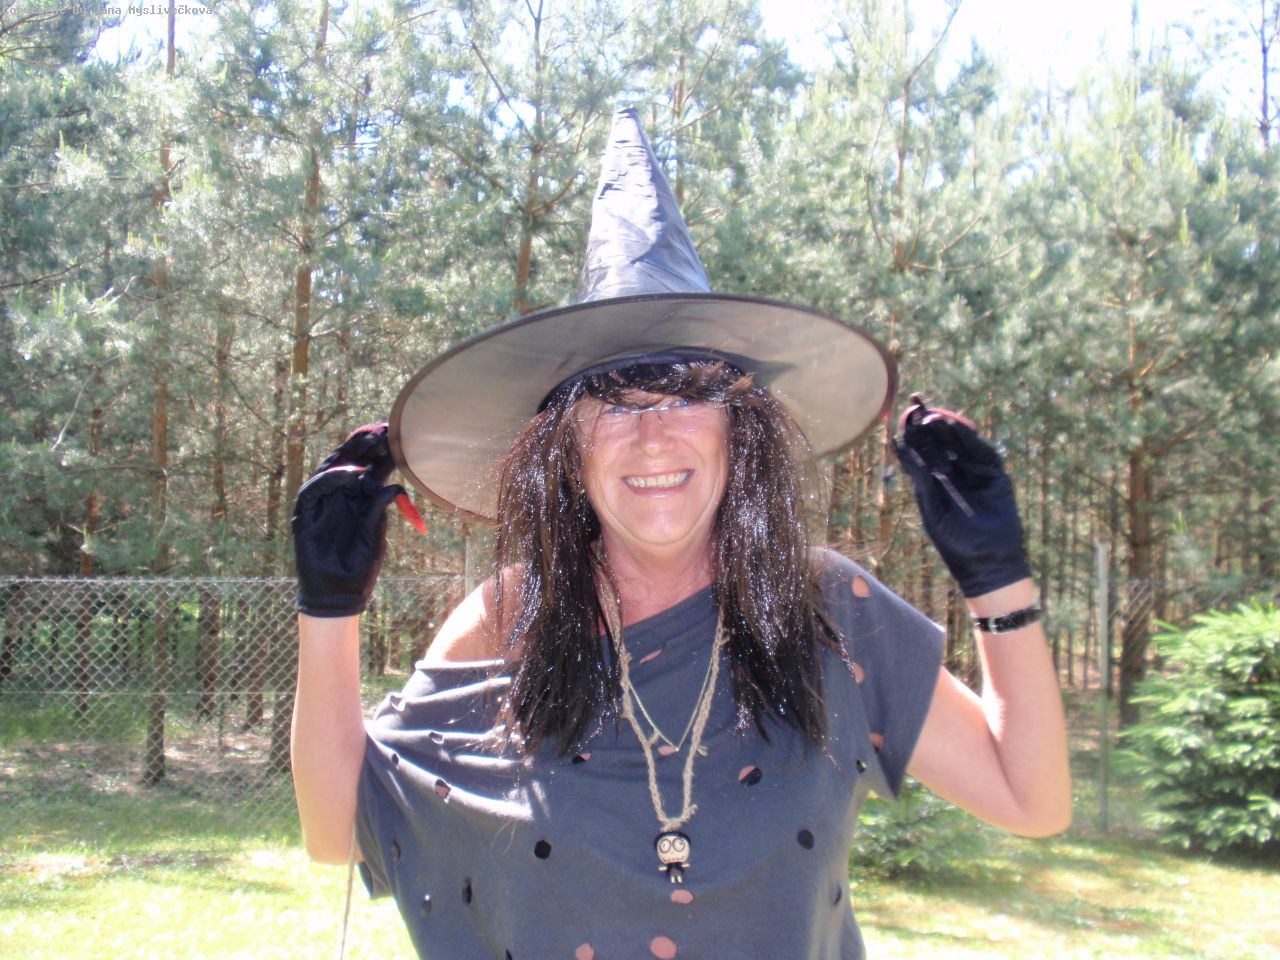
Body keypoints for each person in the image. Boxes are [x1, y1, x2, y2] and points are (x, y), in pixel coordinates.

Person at [290, 108, 1070, 960]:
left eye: (687, 395)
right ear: (565, 447)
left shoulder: (827, 611)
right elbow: (338, 826)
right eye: (613, 403)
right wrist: (328, 609)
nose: (653, 435)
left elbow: (1031, 799)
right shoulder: (507, 617)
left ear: (739, 429)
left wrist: (997, 578)